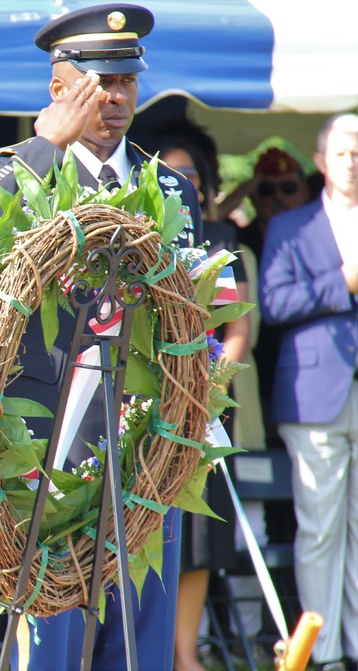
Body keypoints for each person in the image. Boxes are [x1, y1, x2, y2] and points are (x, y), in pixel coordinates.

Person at [0, 5, 202, 669]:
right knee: (51, 638)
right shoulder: (16, 168)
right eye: (97, 83)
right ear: (59, 89)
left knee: (138, 640)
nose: (114, 99)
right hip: (49, 438)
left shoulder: (166, 184)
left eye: (125, 84)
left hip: (145, 440)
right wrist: (43, 148)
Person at [259, 112, 358, 671]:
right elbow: (273, 304)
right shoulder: (290, 226)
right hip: (316, 390)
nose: (352, 163)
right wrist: (341, 283)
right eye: (342, 153)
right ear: (320, 161)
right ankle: (322, 653)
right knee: (319, 526)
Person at [152, 140, 245, 671]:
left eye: (187, 175)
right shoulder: (136, 237)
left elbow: (235, 328)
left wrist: (206, 387)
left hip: (201, 402)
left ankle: (185, 657)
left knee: (199, 537)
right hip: (147, 401)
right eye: (167, 174)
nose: (178, 184)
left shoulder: (218, 240)